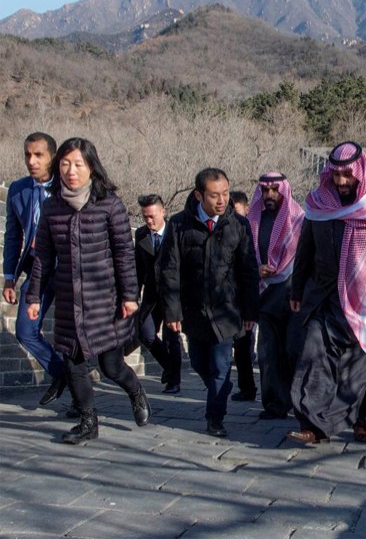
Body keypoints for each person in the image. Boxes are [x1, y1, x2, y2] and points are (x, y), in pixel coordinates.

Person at [287, 141, 366, 444]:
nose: (342, 182)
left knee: (361, 370)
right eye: (336, 175)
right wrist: (297, 288)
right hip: (325, 299)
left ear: (361, 171)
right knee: (313, 357)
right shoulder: (319, 203)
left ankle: (360, 420)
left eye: (348, 175)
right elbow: (305, 248)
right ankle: (312, 425)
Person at [26, 137, 150, 444]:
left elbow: (124, 252)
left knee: (111, 366)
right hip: (69, 301)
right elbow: (43, 255)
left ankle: (135, 392)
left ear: (91, 167)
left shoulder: (109, 204)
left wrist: (129, 296)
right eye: (65, 164)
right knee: (74, 364)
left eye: (78, 164)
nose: (71, 171)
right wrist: (33, 296)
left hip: (104, 300)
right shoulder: (52, 206)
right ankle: (88, 422)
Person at [159, 168, 259, 438]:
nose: (221, 200)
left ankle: (215, 418)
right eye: (214, 195)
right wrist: (172, 312)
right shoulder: (180, 224)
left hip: (227, 312)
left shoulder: (238, 225)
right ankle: (221, 390)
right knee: (200, 364)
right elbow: (169, 270)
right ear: (198, 195)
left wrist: (250, 311)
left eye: (225, 193)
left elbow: (249, 271)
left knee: (219, 366)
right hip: (193, 311)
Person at [3, 132, 68, 407]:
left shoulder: (67, 187)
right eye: (27, 155)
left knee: (73, 336)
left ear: (52, 157)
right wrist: (9, 277)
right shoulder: (18, 190)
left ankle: (81, 401)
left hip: (66, 269)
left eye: (38, 155)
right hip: (37, 270)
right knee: (26, 330)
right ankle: (64, 375)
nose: (32, 160)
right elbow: (13, 236)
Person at [246, 172, 305, 420]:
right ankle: (274, 404)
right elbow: (245, 254)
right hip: (265, 295)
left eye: (274, 190)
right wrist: (255, 269)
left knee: (293, 350)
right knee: (268, 353)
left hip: (293, 293)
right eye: (265, 191)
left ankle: (300, 401)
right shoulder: (252, 219)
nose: (269, 195)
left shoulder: (299, 219)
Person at [134, 194, 182, 394]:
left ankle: (174, 381)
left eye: (152, 216)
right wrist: (132, 295)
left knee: (172, 338)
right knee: (145, 333)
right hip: (152, 294)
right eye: (145, 217)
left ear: (163, 212)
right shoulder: (141, 235)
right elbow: (137, 267)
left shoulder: (176, 231)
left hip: (173, 294)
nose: (149, 221)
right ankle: (170, 367)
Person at [229, 191, 258, 403]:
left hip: (257, 293)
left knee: (246, 344)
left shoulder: (254, 227)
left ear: (247, 208)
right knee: (241, 346)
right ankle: (246, 387)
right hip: (234, 296)